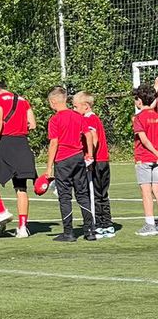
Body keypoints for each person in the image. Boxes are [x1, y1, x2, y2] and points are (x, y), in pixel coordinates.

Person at [0, 81, 38, 237]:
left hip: (5, 144)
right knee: (21, 188)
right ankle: (23, 228)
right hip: (22, 145)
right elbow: (32, 124)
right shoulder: (23, 100)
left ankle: (1, 211)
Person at [44, 87, 95, 242]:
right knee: (82, 194)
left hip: (63, 160)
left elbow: (54, 143)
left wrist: (49, 167)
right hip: (78, 158)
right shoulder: (77, 116)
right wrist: (90, 154)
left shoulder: (55, 119)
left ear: (53, 102)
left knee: (65, 197)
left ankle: (68, 233)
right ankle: (89, 231)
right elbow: (88, 135)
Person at [73, 91, 114, 238]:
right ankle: (107, 224)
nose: (74, 109)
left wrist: (90, 157)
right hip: (104, 160)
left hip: (97, 161)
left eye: (75, 106)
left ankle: (98, 224)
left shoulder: (88, 119)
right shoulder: (95, 118)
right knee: (102, 194)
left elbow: (93, 137)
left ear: (85, 106)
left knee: (94, 193)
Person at [133, 84, 158, 236]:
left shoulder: (139, 118)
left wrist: (155, 152)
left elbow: (144, 140)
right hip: (156, 160)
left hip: (144, 158)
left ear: (140, 101)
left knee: (146, 192)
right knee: (157, 190)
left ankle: (150, 224)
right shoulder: (155, 114)